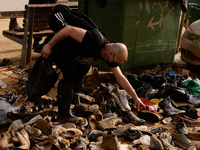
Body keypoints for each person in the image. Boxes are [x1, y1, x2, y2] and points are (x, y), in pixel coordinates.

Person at [40, 19, 146, 124]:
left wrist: (136, 98)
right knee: (71, 72)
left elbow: (120, 77)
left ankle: (73, 99)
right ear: (111, 54)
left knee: (84, 66)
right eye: (115, 63)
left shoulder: (107, 52)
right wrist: (49, 45)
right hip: (58, 47)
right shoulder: (95, 40)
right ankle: (63, 115)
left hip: (71, 52)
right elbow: (68, 29)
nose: (114, 65)